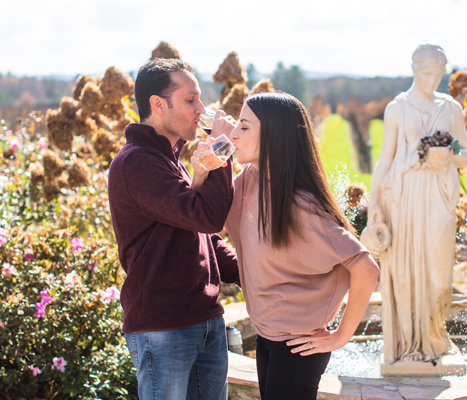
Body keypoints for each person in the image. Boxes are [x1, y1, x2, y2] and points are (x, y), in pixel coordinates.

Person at [194, 92, 379, 400]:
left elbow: (366, 267)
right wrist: (203, 170)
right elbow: (203, 214)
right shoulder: (252, 179)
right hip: (268, 335)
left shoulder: (302, 205)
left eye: (244, 126)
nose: (234, 134)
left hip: (297, 346)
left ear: (274, 136)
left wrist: (340, 337)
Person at [107, 58, 239, 400]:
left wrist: (257, 272)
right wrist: (222, 146)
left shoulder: (169, 159)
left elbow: (202, 237)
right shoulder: (137, 162)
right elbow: (207, 216)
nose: (201, 109)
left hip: (205, 320)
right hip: (164, 327)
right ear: (158, 104)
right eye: (190, 100)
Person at [361, 44, 467, 365]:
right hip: (404, 197)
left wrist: (448, 153)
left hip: (439, 196)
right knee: (407, 275)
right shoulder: (398, 108)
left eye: (439, 74)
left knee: (440, 276)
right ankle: (409, 346)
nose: (433, 80)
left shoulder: (451, 108)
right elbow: (385, 159)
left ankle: (435, 339)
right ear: (414, 70)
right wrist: (374, 206)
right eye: (427, 73)